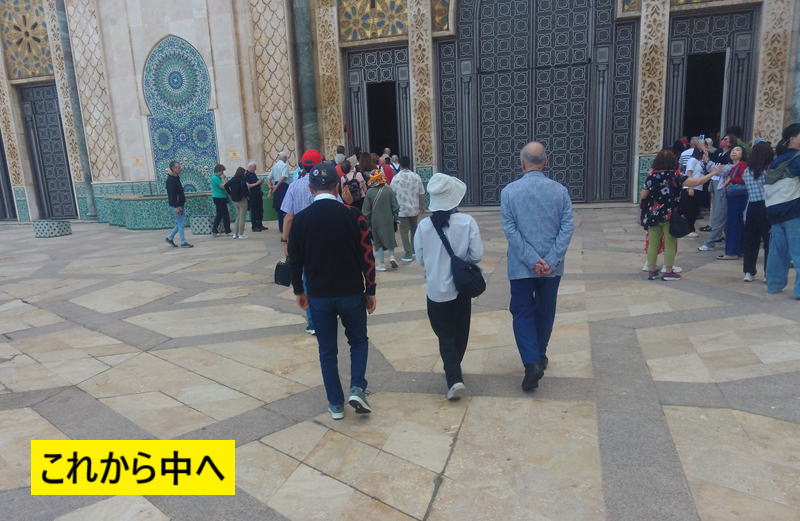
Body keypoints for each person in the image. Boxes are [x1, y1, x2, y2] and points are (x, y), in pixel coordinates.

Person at [288, 161, 377, 420]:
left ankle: (336, 404)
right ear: (337, 186)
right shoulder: (354, 216)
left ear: (310, 188)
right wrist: (370, 289)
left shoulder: (301, 220)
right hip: (351, 293)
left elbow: (295, 260)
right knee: (358, 341)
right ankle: (357, 387)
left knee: (327, 350)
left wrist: (299, 290)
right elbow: (367, 256)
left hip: (319, 296)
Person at [501, 141, 573, 392]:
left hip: (521, 266)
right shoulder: (560, 191)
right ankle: (539, 355)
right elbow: (567, 227)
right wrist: (550, 260)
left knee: (522, 312)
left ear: (522, 163)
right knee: (545, 311)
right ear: (546, 161)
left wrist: (532, 259)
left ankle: (531, 361)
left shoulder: (509, 192)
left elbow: (511, 230)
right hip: (552, 268)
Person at [415, 173, 483, 400]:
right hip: (461, 288)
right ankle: (454, 373)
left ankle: (453, 375)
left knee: (445, 335)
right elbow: (477, 254)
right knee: (461, 331)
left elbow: (420, 259)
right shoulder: (467, 222)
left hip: (436, 290)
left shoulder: (424, 226)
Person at [641, 149, 717, 281]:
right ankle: (668, 272)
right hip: (670, 214)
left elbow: (643, 195)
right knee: (670, 243)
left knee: (653, 243)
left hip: (653, 213)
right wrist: (713, 173)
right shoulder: (676, 176)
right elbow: (696, 182)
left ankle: (652, 271)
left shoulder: (651, 176)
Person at [281, 149, 324, 335]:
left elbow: (288, 217)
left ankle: (313, 323)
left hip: (302, 240)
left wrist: (284, 241)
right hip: (324, 238)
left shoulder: (293, 186)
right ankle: (328, 313)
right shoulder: (326, 185)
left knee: (307, 280)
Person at [765, 123, 800, 298]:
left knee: (777, 251)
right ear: (792, 138)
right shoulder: (797, 159)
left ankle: (774, 285)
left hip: (775, 210)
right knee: (797, 251)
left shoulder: (777, 159)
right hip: (793, 210)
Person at [742, 142, 774, 282]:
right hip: (766, 207)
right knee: (768, 241)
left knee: (751, 241)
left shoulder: (746, 171)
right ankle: (768, 273)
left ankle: (749, 272)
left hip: (752, 207)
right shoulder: (769, 172)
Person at [362, 169, 399, 271]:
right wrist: (396, 219)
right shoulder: (389, 190)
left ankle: (382, 264)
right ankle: (392, 256)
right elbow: (395, 207)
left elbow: (365, 211)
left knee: (378, 242)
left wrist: (367, 222)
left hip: (375, 221)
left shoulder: (369, 192)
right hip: (388, 220)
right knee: (390, 239)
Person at [391, 156, 427, 262]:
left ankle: (408, 253)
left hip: (402, 210)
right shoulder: (416, 176)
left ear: (400, 165)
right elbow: (421, 193)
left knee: (404, 232)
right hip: (414, 208)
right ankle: (414, 250)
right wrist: (423, 205)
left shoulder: (396, 178)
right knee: (414, 229)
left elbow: (392, 194)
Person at [699, 136, 732, 247]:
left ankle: (711, 241)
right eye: (723, 139)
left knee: (720, 213)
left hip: (723, 187)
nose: (723, 141)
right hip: (716, 182)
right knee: (716, 210)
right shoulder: (719, 153)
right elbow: (713, 168)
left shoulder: (731, 163)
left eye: (726, 139)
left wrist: (708, 160)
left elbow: (719, 170)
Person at [718, 145, 748, 261]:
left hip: (738, 198)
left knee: (734, 224)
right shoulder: (733, 167)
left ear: (742, 154)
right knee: (735, 224)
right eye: (733, 150)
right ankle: (739, 249)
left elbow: (744, 180)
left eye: (738, 150)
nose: (734, 152)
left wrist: (730, 180)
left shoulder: (742, 165)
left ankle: (732, 252)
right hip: (733, 198)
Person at [681, 144, 708, 237]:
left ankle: (691, 228)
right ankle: (688, 230)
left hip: (698, 188)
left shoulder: (700, 161)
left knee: (695, 210)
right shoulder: (692, 160)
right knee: (689, 211)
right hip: (691, 188)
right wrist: (690, 187)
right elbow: (689, 173)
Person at [164, 161, 193, 248]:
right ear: (173, 168)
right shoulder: (171, 180)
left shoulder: (175, 178)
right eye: (178, 167)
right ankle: (183, 242)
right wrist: (176, 207)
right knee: (181, 223)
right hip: (176, 206)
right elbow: (172, 195)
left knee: (180, 223)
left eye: (179, 167)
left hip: (179, 204)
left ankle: (169, 238)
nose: (179, 169)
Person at [268, 151, 291, 234]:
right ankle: (285, 228)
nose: (287, 159)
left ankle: (281, 228)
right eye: (286, 157)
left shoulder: (274, 166)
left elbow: (269, 177)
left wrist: (271, 186)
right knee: (285, 207)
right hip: (283, 186)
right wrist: (276, 186)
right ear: (284, 158)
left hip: (276, 187)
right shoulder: (284, 165)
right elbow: (283, 177)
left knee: (279, 208)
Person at [228, 167, 249, 239]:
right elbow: (245, 190)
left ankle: (235, 234)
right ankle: (241, 234)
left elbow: (226, 185)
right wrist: (247, 196)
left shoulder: (233, 179)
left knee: (238, 217)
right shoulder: (242, 180)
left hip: (235, 200)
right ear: (242, 173)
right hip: (242, 200)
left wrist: (230, 193)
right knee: (242, 217)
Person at [210, 164, 231, 237]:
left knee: (219, 215)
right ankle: (227, 231)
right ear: (218, 171)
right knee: (225, 215)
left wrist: (224, 179)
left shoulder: (217, 177)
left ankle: (214, 231)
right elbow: (223, 187)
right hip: (219, 198)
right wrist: (223, 179)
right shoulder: (215, 178)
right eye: (222, 171)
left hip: (221, 197)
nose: (223, 173)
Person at [245, 161, 266, 232]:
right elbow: (248, 186)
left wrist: (260, 182)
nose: (255, 169)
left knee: (260, 210)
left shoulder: (253, 174)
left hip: (258, 195)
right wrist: (257, 183)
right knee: (254, 212)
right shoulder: (247, 175)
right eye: (254, 167)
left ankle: (260, 225)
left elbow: (256, 183)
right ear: (250, 167)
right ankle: (254, 226)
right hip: (253, 196)